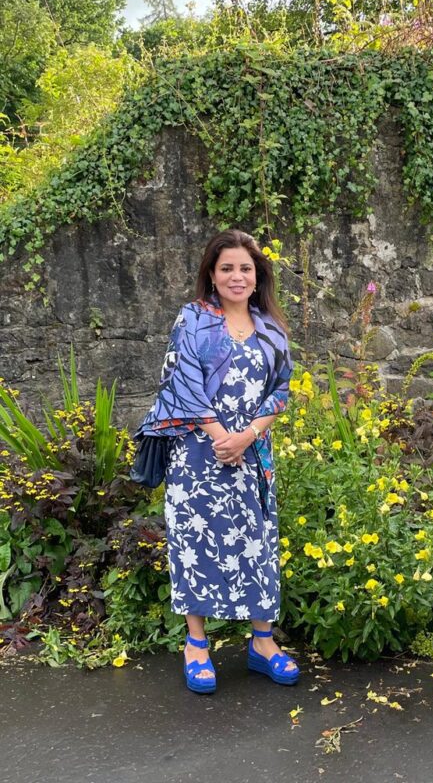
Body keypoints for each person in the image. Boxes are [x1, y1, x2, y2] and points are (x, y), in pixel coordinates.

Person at [138, 229, 299, 694]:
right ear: (211, 273)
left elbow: (281, 390)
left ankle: (263, 643)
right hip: (197, 455)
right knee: (195, 545)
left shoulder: (271, 327)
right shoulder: (193, 320)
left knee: (258, 542)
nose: (236, 275)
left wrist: (247, 436)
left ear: (257, 276)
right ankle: (196, 645)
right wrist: (220, 435)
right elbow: (181, 382)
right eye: (227, 267)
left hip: (252, 456)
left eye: (245, 268)